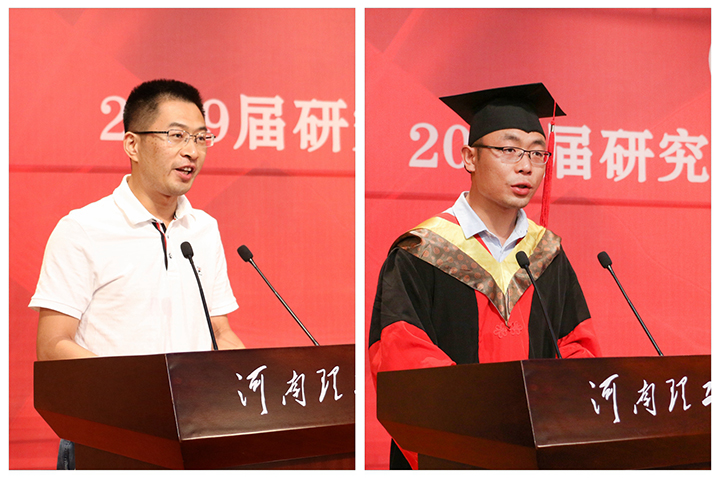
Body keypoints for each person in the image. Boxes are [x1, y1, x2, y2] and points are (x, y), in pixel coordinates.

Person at [368, 83, 601, 470]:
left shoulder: (547, 256)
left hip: (535, 457)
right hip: (453, 456)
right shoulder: (421, 252)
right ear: (470, 158)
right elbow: (401, 360)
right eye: (509, 150)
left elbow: (578, 352)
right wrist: (487, 431)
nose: (526, 166)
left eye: (537, 153)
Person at [30, 79, 244, 468]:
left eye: (200, 138)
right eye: (176, 135)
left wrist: (254, 379)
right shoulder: (83, 229)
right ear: (132, 145)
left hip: (192, 437)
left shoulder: (204, 229)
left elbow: (219, 331)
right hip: (108, 438)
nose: (191, 151)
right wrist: (138, 394)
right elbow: (53, 345)